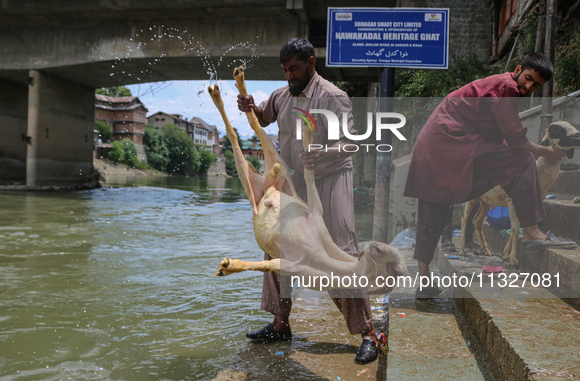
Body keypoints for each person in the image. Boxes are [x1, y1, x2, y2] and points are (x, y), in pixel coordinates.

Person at [237, 38, 379, 364]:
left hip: (331, 177)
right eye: (285, 70)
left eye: (295, 69)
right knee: (276, 242)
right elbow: (263, 116)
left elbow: (351, 143)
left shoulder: (333, 97)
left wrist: (322, 151)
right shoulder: (281, 96)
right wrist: (251, 108)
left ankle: (368, 332)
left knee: (340, 250)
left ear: (311, 64)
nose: (289, 76)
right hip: (294, 181)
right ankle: (279, 323)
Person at [403, 52, 576, 299]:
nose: (528, 86)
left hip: (435, 145)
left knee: (433, 206)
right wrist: (547, 151)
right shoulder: (507, 87)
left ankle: (423, 282)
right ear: (518, 69)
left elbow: (501, 135)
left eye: (536, 85)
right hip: (451, 140)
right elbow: (517, 140)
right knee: (523, 159)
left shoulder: (499, 86)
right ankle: (532, 232)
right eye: (528, 78)